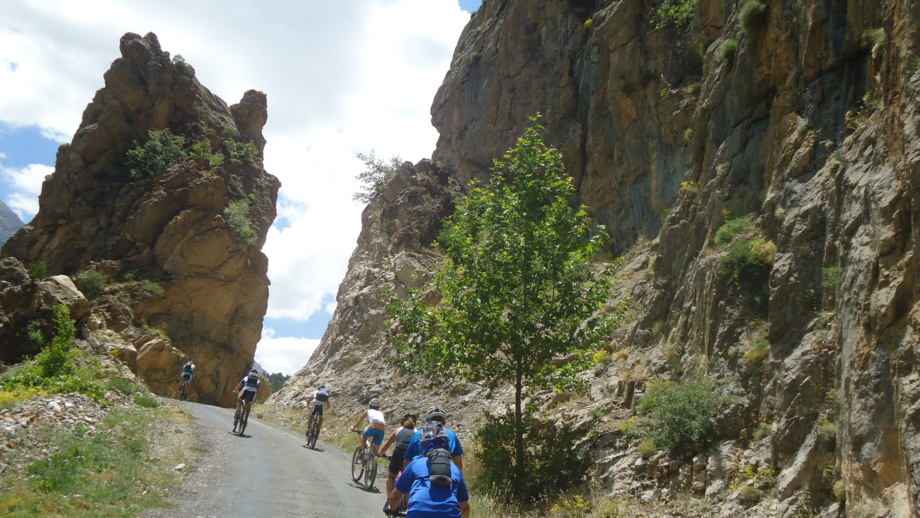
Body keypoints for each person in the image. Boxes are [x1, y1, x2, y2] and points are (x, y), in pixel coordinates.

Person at [386, 425, 471, 518]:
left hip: (418, 514)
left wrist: (393, 510)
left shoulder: (416, 464)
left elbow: (394, 497)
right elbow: (465, 508)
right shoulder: (456, 470)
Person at [403, 406, 464, 470]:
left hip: (422, 470)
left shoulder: (418, 434)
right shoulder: (451, 435)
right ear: (444, 422)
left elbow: (407, 462)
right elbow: (458, 462)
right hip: (446, 470)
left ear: (427, 421)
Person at [379, 413, 417, 500]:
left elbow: (386, 446)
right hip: (410, 455)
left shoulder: (398, 430)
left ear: (402, 422)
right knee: (409, 480)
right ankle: (408, 506)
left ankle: (390, 503)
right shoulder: (416, 432)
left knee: (391, 477)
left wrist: (381, 454)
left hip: (398, 452)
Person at [232, 368, 260, 433]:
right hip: (253, 392)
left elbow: (237, 387)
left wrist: (236, 391)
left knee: (239, 399)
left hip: (245, 390)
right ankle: (246, 417)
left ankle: (238, 411)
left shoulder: (246, 378)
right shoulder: (258, 381)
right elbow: (257, 391)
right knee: (249, 403)